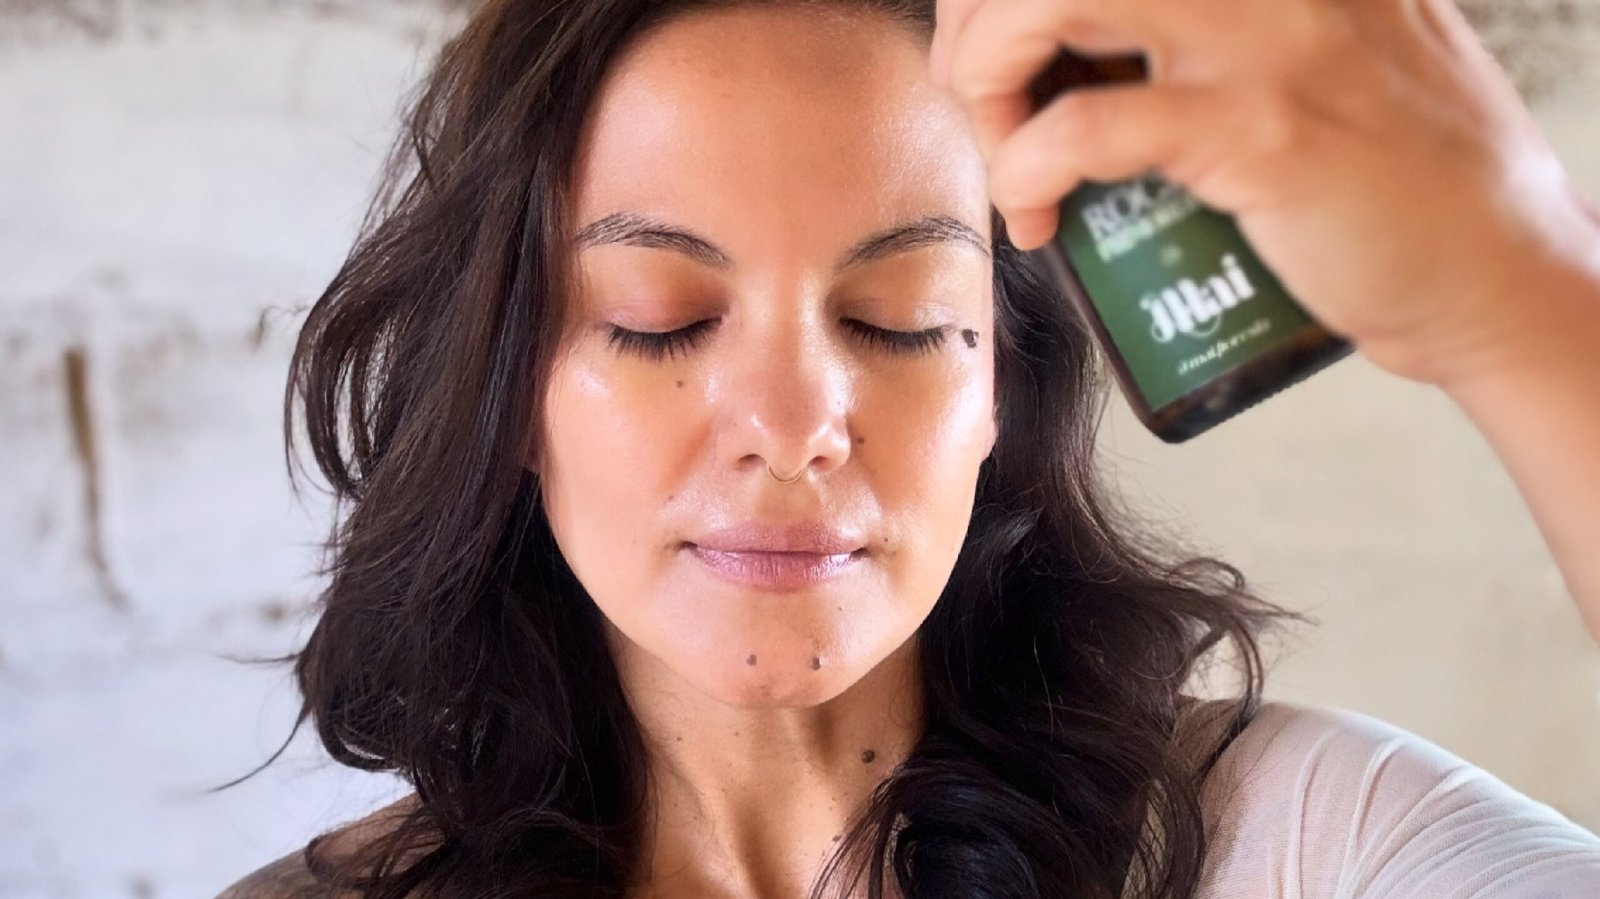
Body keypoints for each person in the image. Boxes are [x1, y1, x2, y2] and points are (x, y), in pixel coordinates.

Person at [217, 0, 1600, 896]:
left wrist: (1521, 294)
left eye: (900, 321)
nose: (793, 430)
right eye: (659, 321)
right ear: (512, 392)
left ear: (999, 386)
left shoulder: (1307, 842)